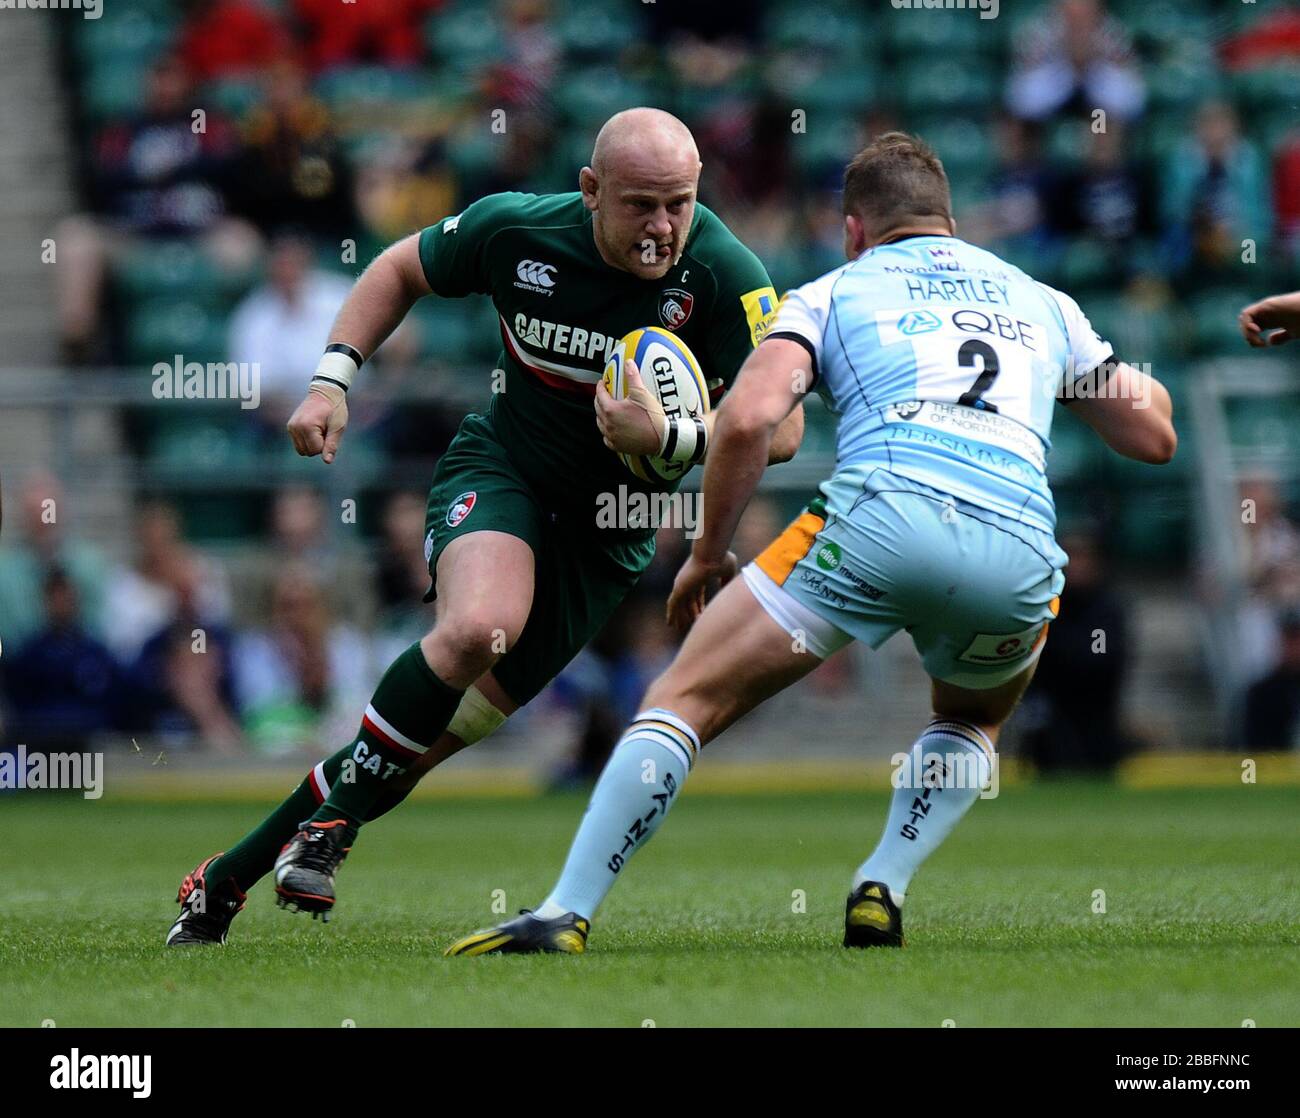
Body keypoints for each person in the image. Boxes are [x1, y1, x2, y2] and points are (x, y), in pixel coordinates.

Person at [445, 131, 1177, 955]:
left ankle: (564, 911)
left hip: (880, 520)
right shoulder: (1041, 303)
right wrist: (1104, 376)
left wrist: (708, 551)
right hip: (1018, 552)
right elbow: (1152, 434)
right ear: (952, 222)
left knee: (684, 698)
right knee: (972, 720)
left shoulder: (832, 292)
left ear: (854, 231)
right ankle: (882, 884)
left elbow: (753, 419)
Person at [166, 107, 801, 946]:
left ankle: (227, 878)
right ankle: (328, 829)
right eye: (640, 204)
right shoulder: (518, 231)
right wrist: (330, 383)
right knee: (477, 628)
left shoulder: (724, 272)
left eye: (678, 203)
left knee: (422, 745)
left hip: (607, 536)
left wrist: (676, 437)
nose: (662, 227)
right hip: (502, 472)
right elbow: (396, 268)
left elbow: (781, 429)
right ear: (589, 190)